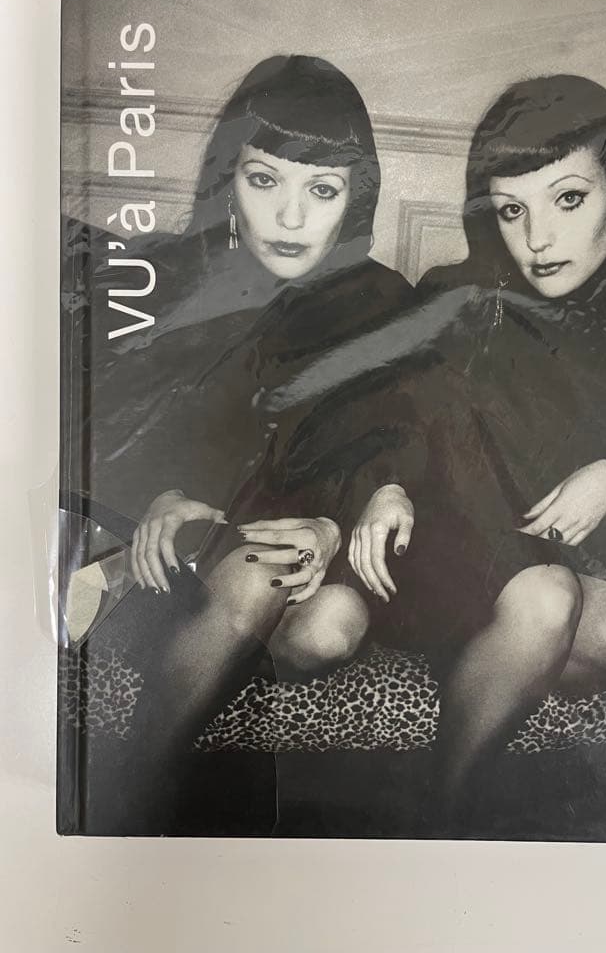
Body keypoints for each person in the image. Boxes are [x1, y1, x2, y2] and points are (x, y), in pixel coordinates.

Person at [347, 74, 606, 827]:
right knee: (546, 599)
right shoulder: (456, 296)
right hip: (453, 545)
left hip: (554, 553)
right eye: (512, 210)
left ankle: (497, 665)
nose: (538, 239)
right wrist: (386, 485)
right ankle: (437, 828)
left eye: (569, 199)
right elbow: (398, 418)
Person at [59, 54, 423, 833]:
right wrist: (154, 493)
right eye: (265, 181)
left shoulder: (382, 303)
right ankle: (128, 811)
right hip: (169, 548)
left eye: (321, 191)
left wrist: (332, 526)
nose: (290, 218)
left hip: (299, 541)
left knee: (328, 618)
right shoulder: (169, 278)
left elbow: (396, 437)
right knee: (265, 581)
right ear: (229, 179)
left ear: (355, 195)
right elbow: (104, 422)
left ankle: (162, 778)